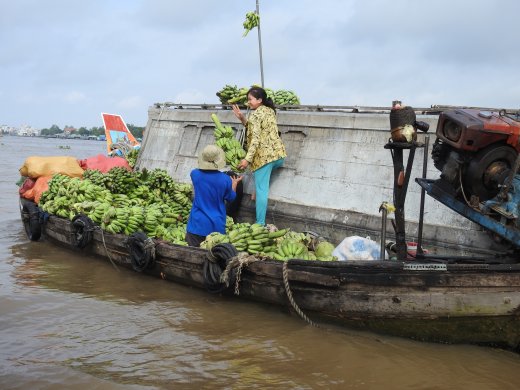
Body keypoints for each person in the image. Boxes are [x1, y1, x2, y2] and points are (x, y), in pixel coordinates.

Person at [232, 86, 287, 226]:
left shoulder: (255, 115)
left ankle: (260, 224)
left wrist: (246, 159)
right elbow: (256, 129)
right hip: (279, 156)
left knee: (262, 191)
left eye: (250, 99)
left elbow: (255, 139)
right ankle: (259, 186)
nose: (248, 102)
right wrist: (242, 118)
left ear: (259, 100)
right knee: (261, 179)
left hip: (265, 158)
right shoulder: (269, 111)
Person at [185, 145, 243, 247]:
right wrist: (234, 184)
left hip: (196, 224)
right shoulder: (225, 179)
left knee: (191, 254)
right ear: (218, 160)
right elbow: (231, 198)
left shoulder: (194, 174)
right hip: (216, 227)